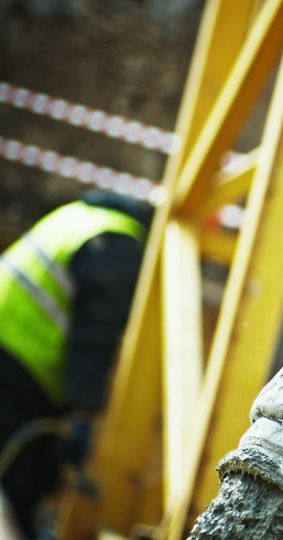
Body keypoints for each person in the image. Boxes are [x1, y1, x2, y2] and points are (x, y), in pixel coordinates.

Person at [0, 189, 151, 537]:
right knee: (20, 483)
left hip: (15, 360)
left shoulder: (78, 216)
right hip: (18, 369)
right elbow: (95, 339)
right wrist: (82, 414)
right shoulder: (118, 242)